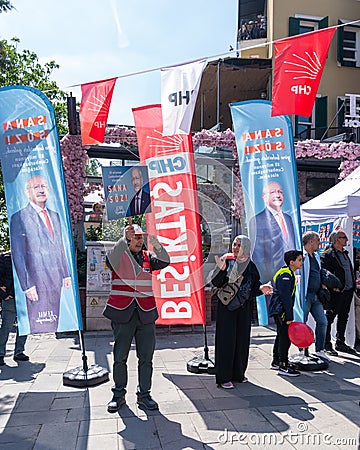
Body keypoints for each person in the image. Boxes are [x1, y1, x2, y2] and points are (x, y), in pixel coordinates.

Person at [103, 224, 170, 412]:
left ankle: (144, 394)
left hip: (145, 314)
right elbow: (109, 259)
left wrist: (156, 245)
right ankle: (118, 394)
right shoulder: (118, 256)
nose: (140, 241)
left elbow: (165, 261)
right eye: (136, 237)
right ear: (129, 238)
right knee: (119, 357)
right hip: (122, 313)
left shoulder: (148, 257)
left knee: (146, 357)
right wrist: (123, 239)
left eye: (142, 237)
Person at [9, 176, 72, 334]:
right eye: (36, 187)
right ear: (27, 192)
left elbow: (60, 247)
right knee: (39, 325)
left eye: (44, 186)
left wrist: (66, 274)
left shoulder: (55, 216)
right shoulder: (19, 217)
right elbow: (18, 255)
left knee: (53, 322)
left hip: (56, 280)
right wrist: (27, 285)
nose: (41, 190)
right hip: (36, 282)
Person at [211, 235, 273, 389]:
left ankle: (238, 374)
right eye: (234, 244)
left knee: (242, 341)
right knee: (226, 342)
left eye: (239, 245)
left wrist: (261, 289)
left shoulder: (250, 265)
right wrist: (222, 270)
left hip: (243, 309)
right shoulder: (227, 260)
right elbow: (215, 282)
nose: (236, 248)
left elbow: (254, 286)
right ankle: (224, 377)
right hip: (227, 308)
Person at [249, 181, 296, 283]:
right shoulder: (258, 220)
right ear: (264, 197)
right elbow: (258, 254)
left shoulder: (288, 218)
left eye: (280, 192)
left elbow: (292, 245)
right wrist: (267, 279)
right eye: (272, 192)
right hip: (273, 279)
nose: (277, 195)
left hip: (291, 275)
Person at [321, 230, 357, 355]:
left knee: (343, 317)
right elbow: (325, 274)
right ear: (337, 240)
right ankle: (326, 344)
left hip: (347, 291)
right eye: (344, 237)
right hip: (336, 293)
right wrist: (333, 287)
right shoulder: (328, 254)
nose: (346, 240)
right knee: (330, 317)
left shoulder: (345, 254)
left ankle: (340, 342)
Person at [269, 250, 303, 377]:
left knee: (281, 335)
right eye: (299, 260)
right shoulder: (285, 275)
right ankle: (283, 364)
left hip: (280, 310)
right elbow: (286, 297)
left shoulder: (288, 273)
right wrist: (289, 315)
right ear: (291, 262)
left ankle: (277, 361)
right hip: (281, 310)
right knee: (284, 337)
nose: (301, 262)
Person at [302, 231, 329, 361]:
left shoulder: (316, 256)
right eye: (318, 240)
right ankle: (303, 349)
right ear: (311, 241)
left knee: (323, 321)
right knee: (303, 322)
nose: (320, 243)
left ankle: (319, 349)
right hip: (306, 295)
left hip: (316, 295)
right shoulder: (302, 256)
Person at [0, 251, 29, 365]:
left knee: (24, 326)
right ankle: (1, 353)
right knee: (6, 326)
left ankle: (19, 352)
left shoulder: (28, 257)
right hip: (10, 297)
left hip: (25, 296)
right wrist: (4, 295)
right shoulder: (4, 257)